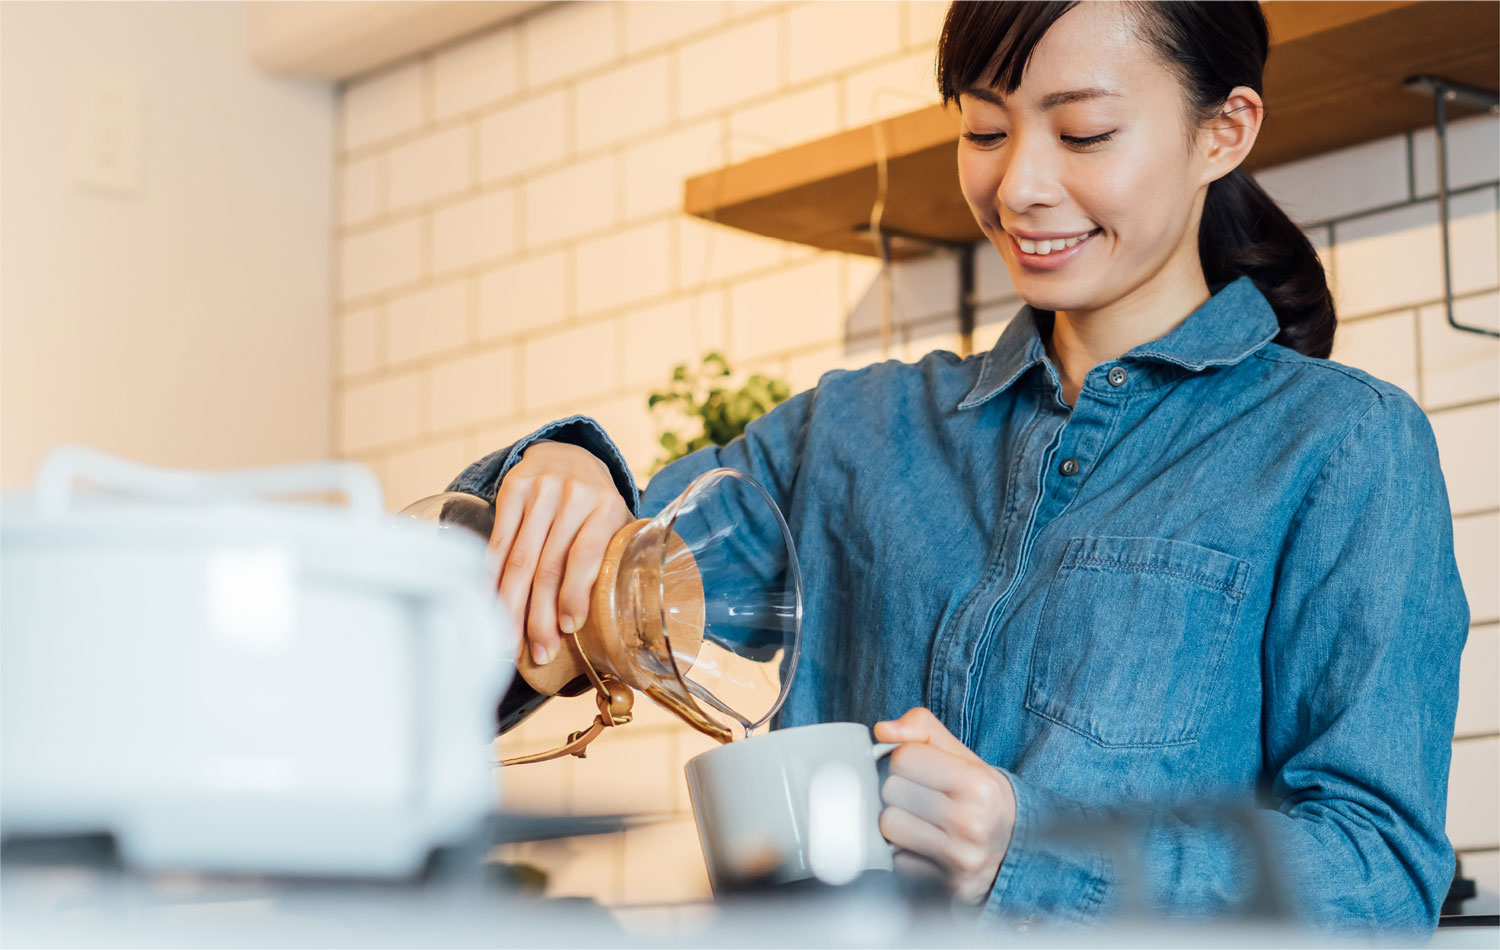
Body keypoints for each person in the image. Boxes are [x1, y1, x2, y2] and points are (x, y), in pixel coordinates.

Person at [445, 0, 1468, 936]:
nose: (1017, 184)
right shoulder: (846, 436)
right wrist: (565, 476)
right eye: (983, 129)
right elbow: (582, 602)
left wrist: (1029, 847)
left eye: (1084, 133)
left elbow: (1377, 877)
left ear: (1224, 131)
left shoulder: (1342, 447)